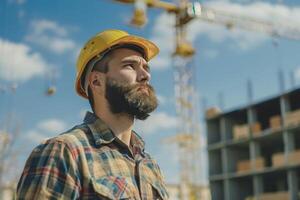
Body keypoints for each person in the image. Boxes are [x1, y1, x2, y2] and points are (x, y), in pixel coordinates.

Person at [16, 29, 169, 200]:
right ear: (96, 81)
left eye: (146, 68)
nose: (145, 75)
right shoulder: (64, 151)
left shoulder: (150, 165)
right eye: (129, 66)